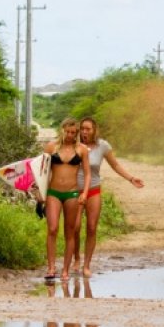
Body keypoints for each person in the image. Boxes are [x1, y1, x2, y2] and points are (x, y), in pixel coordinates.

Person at [73, 117, 144, 277]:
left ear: (94, 130)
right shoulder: (74, 145)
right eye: (82, 128)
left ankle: (86, 265)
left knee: (91, 227)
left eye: (88, 129)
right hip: (75, 191)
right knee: (75, 227)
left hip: (93, 190)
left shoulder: (102, 146)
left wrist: (131, 178)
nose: (84, 132)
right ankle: (76, 257)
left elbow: (115, 165)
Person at [44, 118, 91, 281]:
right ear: (62, 130)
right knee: (52, 228)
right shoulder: (51, 147)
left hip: (72, 193)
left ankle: (65, 270)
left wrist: (84, 193)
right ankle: (51, 267)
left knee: (70, 232)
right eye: (68, 131)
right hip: (53, 192)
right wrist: (39, 194)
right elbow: (42, 171)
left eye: (73, 132)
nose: (70, 135)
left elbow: (87, 173)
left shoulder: (82, 150)